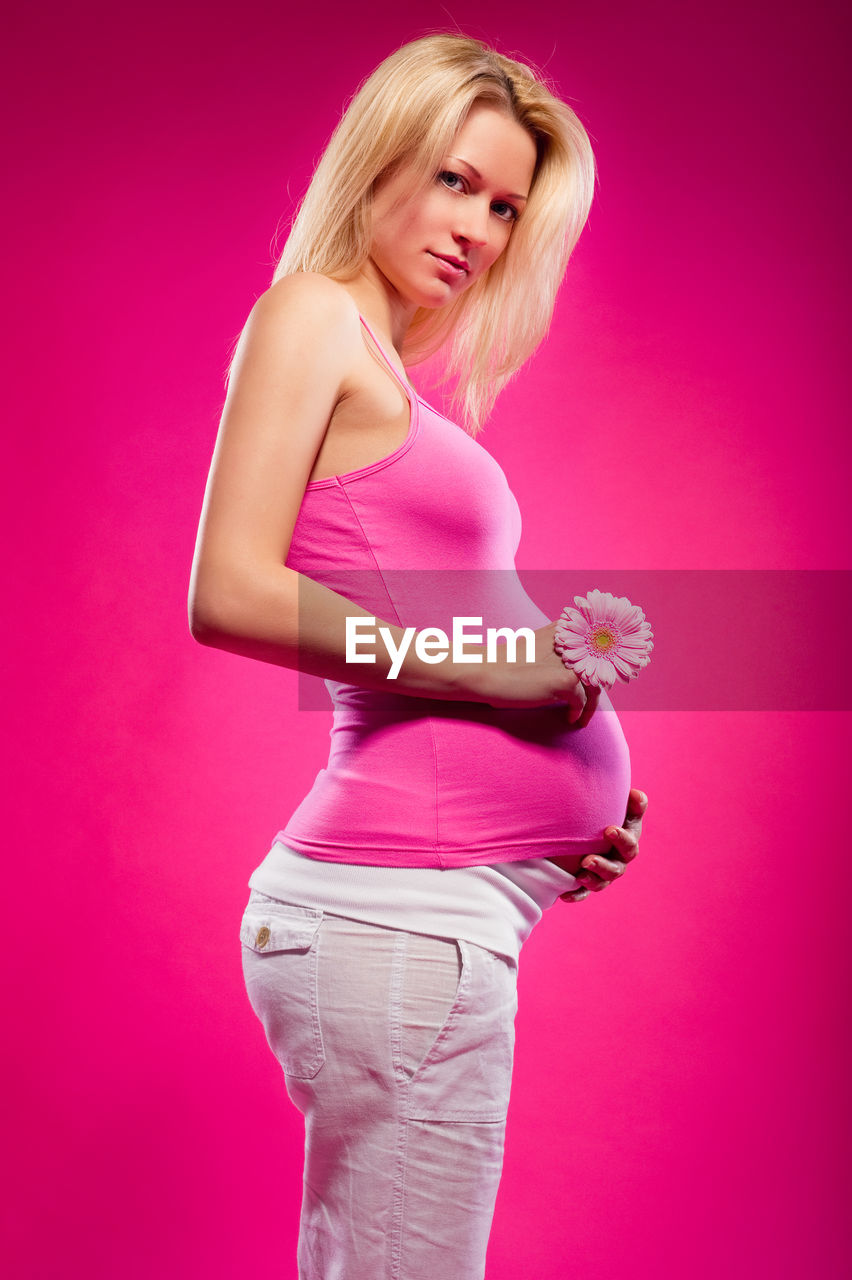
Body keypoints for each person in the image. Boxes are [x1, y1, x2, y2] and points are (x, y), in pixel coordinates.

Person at [189, 32, 649, 1280]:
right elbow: (227, 588)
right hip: (393, 915)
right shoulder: (312, 314)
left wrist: (559, 816)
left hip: (439, 909)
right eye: (456, 181)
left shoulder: (380, 360)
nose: (481, 231)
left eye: (505, 205)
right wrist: (492, 678)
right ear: (382, 155)